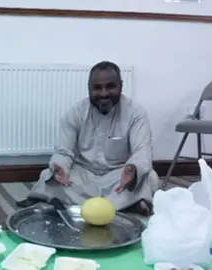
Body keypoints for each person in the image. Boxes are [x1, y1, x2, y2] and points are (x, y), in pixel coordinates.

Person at [17, 61, 160, 216]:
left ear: (121, 86)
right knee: (48, 176)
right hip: (83, 175)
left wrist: (132, 169)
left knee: (150, 178)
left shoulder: (135, 113)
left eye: (110, 86)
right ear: (89, 88)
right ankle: (125, 205)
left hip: (118, 177)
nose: (104, 93)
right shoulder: (75, 113)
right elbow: (63, 152)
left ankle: (72, 204)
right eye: (97, 88)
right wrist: (60, 168)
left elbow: (142, 150)